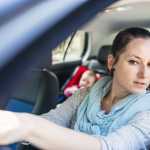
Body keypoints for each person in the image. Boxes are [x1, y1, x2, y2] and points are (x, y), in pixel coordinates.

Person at [0, 27, 150, 150]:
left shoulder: (147, 113)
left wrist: (27, 126)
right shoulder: (86, 94)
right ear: (112, 63)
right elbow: (52, 120)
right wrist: (16, 130)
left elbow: (109, 147)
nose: (144, 74)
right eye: (134, 62)